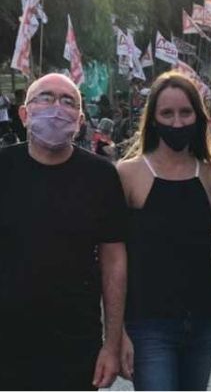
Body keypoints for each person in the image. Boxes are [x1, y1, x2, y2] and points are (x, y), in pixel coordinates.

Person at [0, 73, 127, 390]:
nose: (56, 107)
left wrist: (111, 345)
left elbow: (113, 261)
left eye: (68, 101)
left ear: (80, 120)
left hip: (76, 342)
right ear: (25, 114)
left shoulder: (101, 176)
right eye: (45, 97)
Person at [117, 72, 211, 391]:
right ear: (152, 119)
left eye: (185, 112)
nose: (177, 122)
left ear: (198, 117)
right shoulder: (128, 173)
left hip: (203, 321)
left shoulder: (209, 174)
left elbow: (207, 246)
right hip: (149, 324)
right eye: (167, 113)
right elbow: (114, 257)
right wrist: (116, 331)